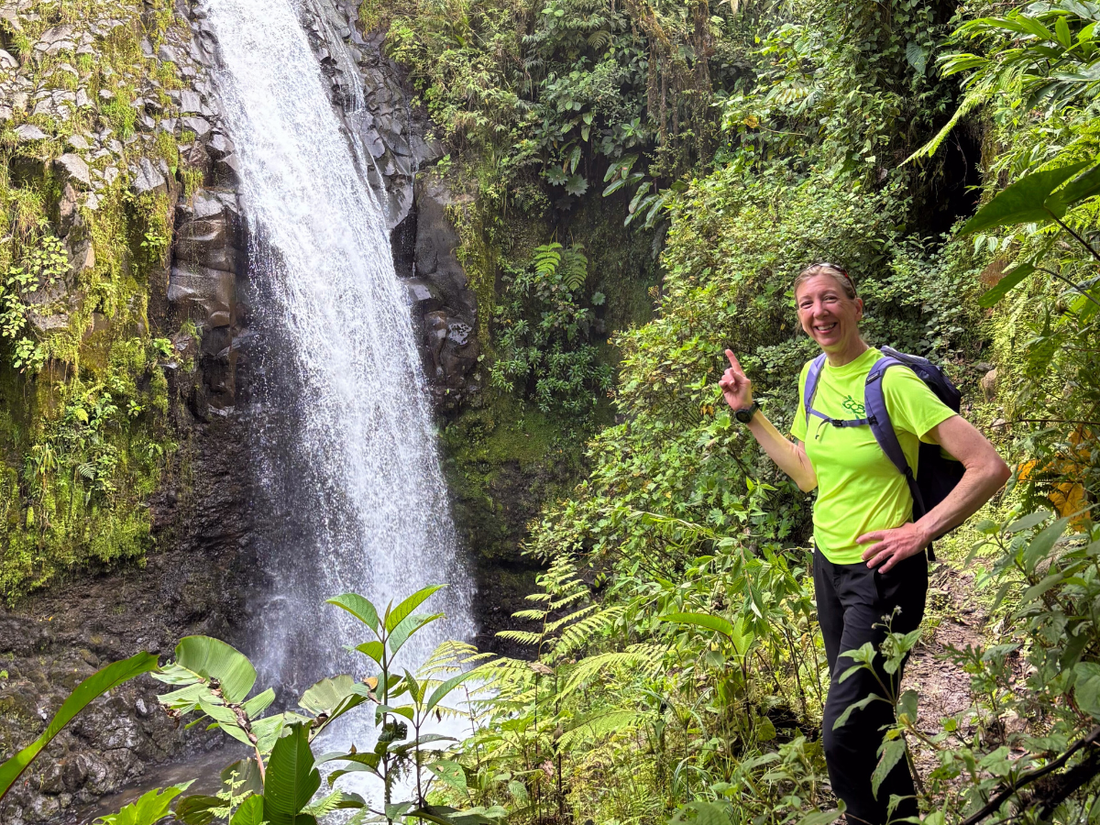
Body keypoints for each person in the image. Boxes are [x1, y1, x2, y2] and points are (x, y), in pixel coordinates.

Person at [718, 262, 1011, 825]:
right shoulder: (812, 376)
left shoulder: (893, 382)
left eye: (829, 299)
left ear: (856, 307)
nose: (818, 312)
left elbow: (988, 466)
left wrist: (921, 530)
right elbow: (807, 473)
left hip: (883, 575)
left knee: (843, 734)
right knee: (871, 719)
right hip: (829, 566)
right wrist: (749, 413)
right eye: (806, 304)